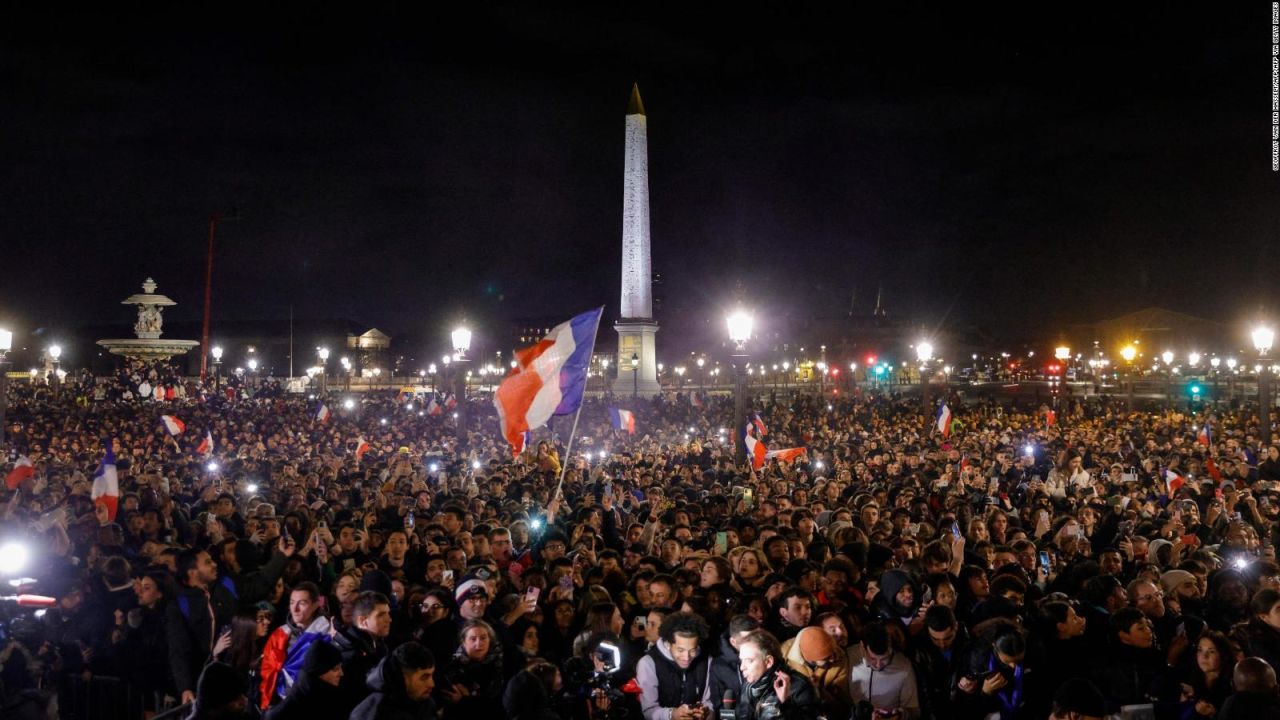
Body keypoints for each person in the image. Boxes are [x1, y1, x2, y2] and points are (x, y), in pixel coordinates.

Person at [168, 549, 239, 705]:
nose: (214, 564)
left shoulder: (219, 590)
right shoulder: (179, 605)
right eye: (207, 562)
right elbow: (179, 649)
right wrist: (185, 687)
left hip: (225, 676)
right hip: (200, 683)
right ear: (192, 573)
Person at [259, 582, 334, 709]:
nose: (295, 609)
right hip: (281, 702)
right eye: (292, 602)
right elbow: (267, 671)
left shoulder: (328, 634)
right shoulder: (280, 634)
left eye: (302, 603)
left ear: (316, 604)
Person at [635, 612, 714, 720]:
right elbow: (648, 710)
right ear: (668, 644)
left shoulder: (706, 661)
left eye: (692, 650)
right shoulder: (648, 663)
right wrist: (671, 715)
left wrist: (706, 713)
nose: (686, 657)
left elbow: (710, 702)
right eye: (680, 650)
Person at [735, 629, 818, 720]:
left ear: (768, 662)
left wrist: (786, 705)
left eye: (749, 661)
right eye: (741, 660)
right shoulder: (748, 686)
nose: (742, 667)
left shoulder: (800, 686)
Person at [334, 591, 393, 714]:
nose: (389, 619)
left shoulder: (379, 646)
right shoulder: (349, 653)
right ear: (362, 621)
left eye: (388, 613)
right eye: (381, 615)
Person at [848, 622, 920, 719]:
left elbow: (914, 711)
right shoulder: (848, 657)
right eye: (872, 658)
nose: (878, 665)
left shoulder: (904, 666)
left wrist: (901, 715)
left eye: (884, 659)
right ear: (862, 647)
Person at [350, 642, 439, 720]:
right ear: (401, 677)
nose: (432, 684)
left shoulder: (424, 702)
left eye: (432, 676)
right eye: (424, 677)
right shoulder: (372, 714)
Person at [263, 640, 346, 720]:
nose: (341, 673)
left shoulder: (333, 695)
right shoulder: (282, 713)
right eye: (336, 669)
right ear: (320, 672)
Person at [780, 626, 850, 720]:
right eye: (826, 658)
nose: (833, 659)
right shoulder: (783, 654)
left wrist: (820, 690)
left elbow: (843, 703)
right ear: (810, 659)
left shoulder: (840, 658)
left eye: (832, 653)